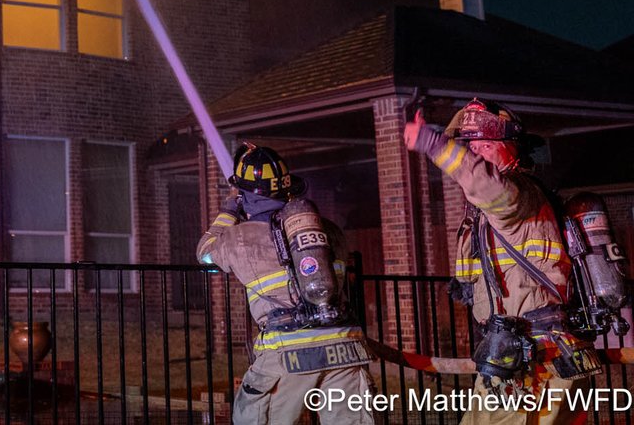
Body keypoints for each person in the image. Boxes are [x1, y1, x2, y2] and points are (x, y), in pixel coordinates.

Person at [405, 98, 599, 424]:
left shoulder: (517, 195)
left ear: (510, 148)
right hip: (523, 356)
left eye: (483, 146)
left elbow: (486, 186)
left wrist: (432, 143)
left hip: (535, 359)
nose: (474, 154)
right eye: (470, 147)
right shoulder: (494, 212)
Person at [197, 144, 379, 425]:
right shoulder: (328, 231)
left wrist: (229, 211)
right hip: (344, 343)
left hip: (287, 352)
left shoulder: (239, 238)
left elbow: (205, 254)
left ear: (245, 195)